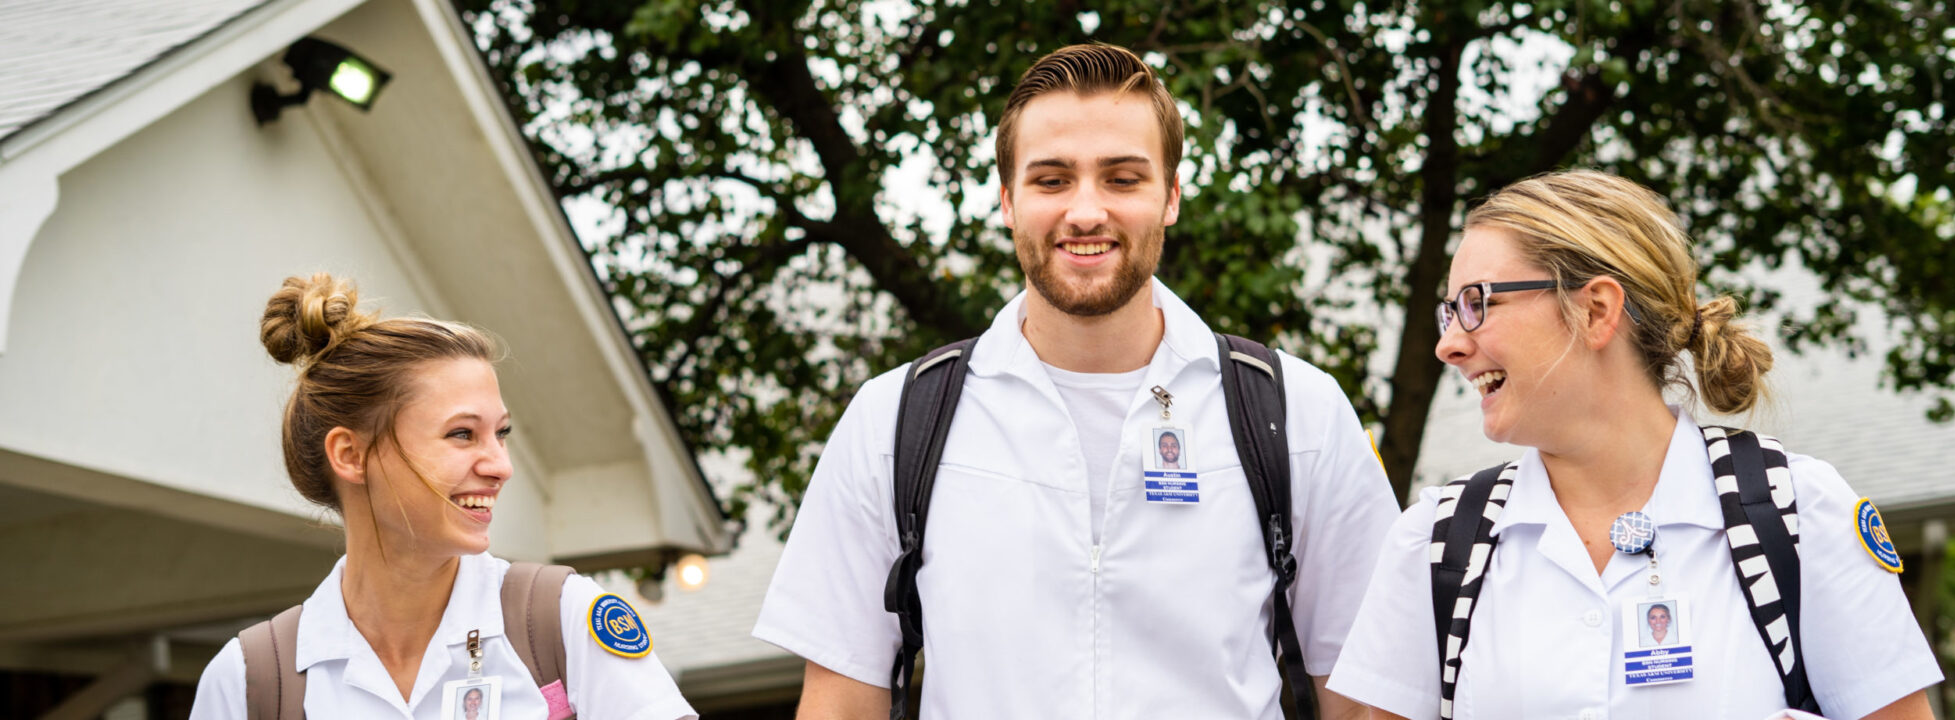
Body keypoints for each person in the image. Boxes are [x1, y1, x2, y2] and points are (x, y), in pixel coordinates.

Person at [753, 43, 1399, 719]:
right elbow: (840, 703)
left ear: (1171, 196)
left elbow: (1364, 702)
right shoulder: (893, 422)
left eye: (1122, 179)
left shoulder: (1299, 415)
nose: (1086, 212)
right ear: (1007, 201)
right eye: (1052, 180)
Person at [1325, 170, 1941, 719]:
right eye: (1448, 312)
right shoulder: (1433, 542)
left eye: (1477, 303)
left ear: (1596, 309)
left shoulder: (1801, 512)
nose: (1449, 344)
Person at [190, 274, 697, 719]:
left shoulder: (562, 618)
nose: (501, 466)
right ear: (350, 454)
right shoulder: (249, 683)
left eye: (501, 433)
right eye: (462, 434)